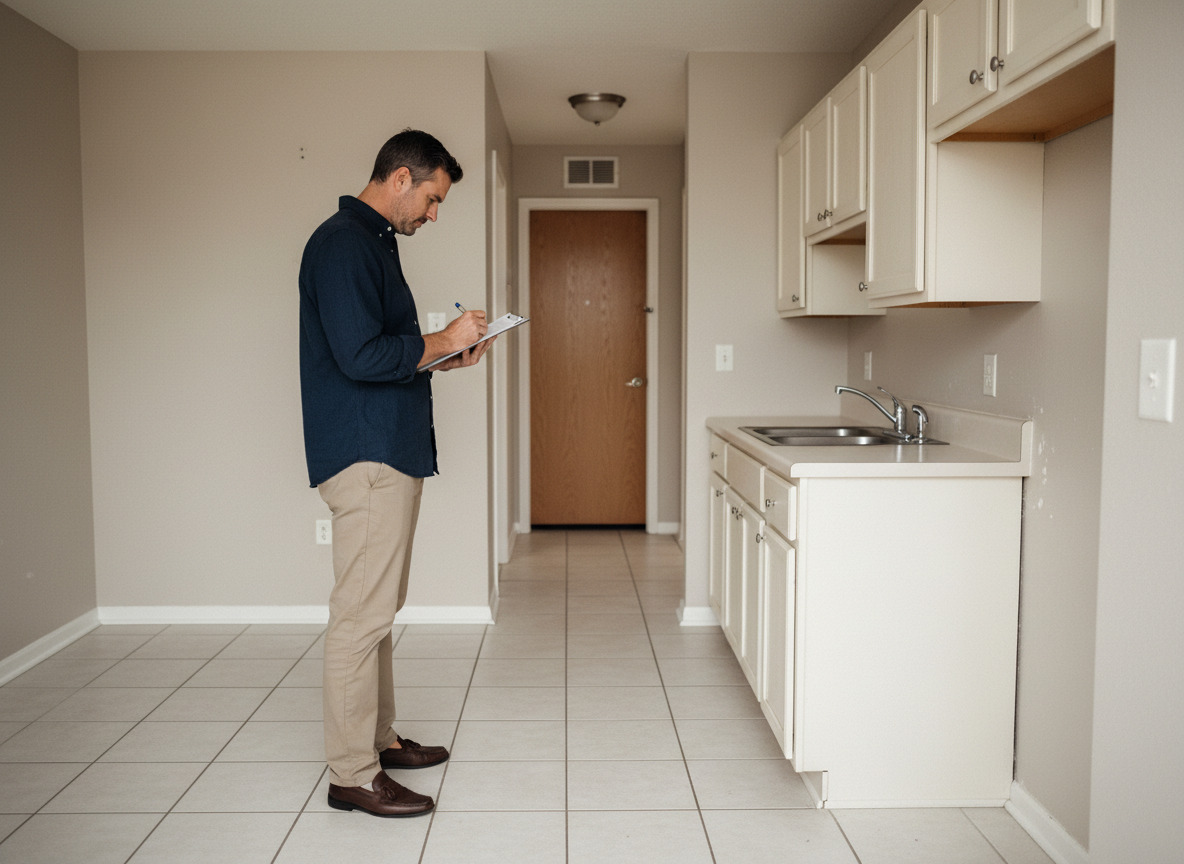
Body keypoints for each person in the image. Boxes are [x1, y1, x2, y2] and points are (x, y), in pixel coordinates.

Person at [298, 128, 492, 818]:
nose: (434, 214)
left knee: (376, 611)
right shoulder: (345, 243)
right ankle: (352, 772)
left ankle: (376, 741)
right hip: (367, 455)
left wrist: (443, 357)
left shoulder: (370, 243)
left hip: (386, 449)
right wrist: (445, 338)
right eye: (434, 198)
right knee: (360, 617)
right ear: (402, 178)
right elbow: (358, 356)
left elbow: (381, 352)